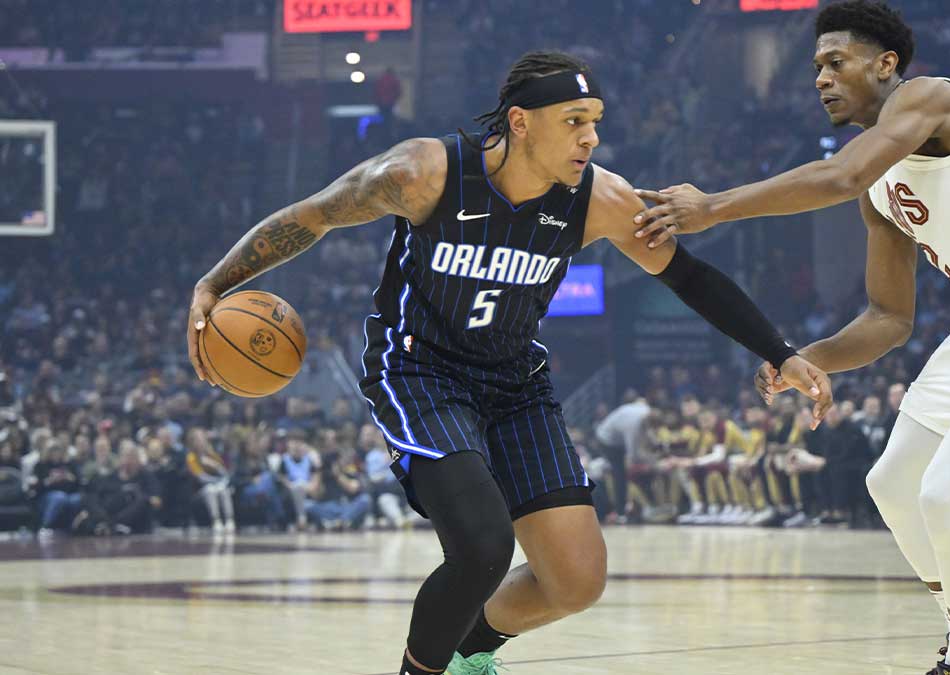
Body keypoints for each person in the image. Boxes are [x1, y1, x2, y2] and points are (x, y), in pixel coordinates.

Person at [186, 51, 830, 675]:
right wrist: (215, 284)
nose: (592, 138)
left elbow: (688, 276)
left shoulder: (598, 199)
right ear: (520, 122)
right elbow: (314, 216)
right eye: (574, 121)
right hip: (419, 371)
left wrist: (782, 353)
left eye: (596, 120)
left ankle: (468, 648)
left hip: (515, 380)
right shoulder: (424, 173)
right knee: (482, 547)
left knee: (576, 581)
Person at [633, 3, 950, 672]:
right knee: (893, 483)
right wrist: (801, 357)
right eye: (815, 68)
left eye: (836, 62)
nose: (820, 79)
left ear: (885, 64)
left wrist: (714, 206)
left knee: (946, 491)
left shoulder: (932, 98)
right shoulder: (882, 190)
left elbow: (839, 175)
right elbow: (889, 319)